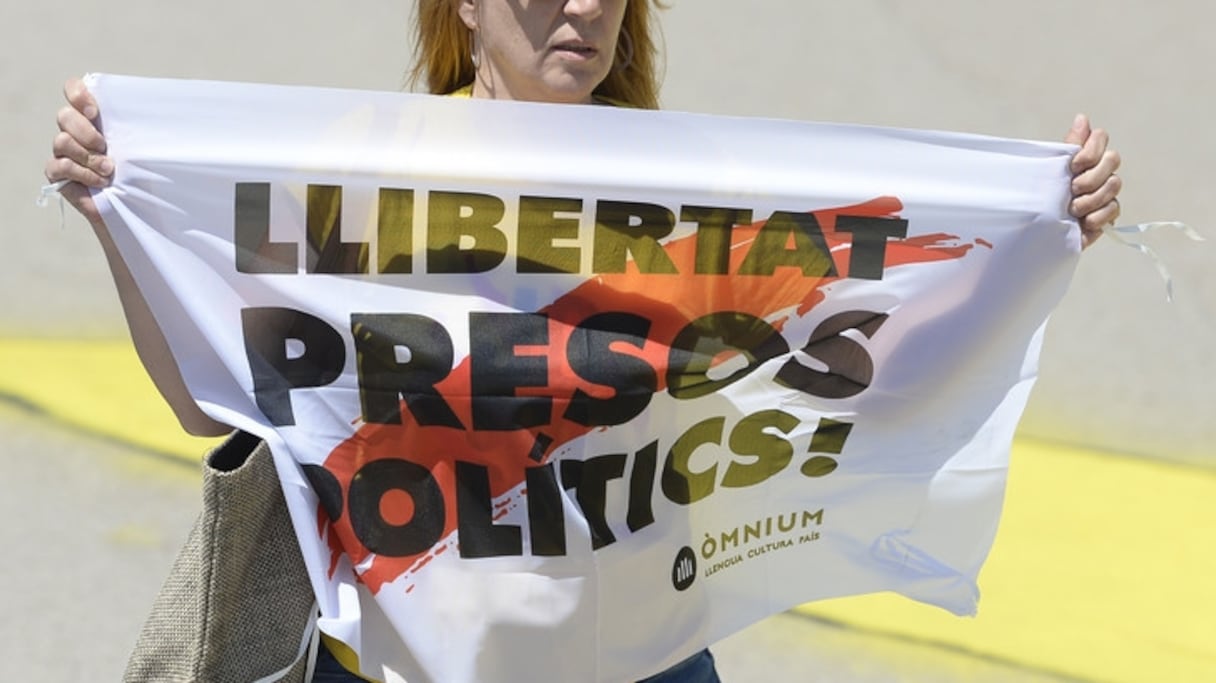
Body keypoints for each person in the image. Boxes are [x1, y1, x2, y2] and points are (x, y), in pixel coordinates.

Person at [44, 1, 1122, 681]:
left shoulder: (688, 189)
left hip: (645, 660)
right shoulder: (361, 172)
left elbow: (872, 380)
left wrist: (1038, 231)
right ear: (462, 7)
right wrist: (115, 214)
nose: (583, 8)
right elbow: (211, 402)